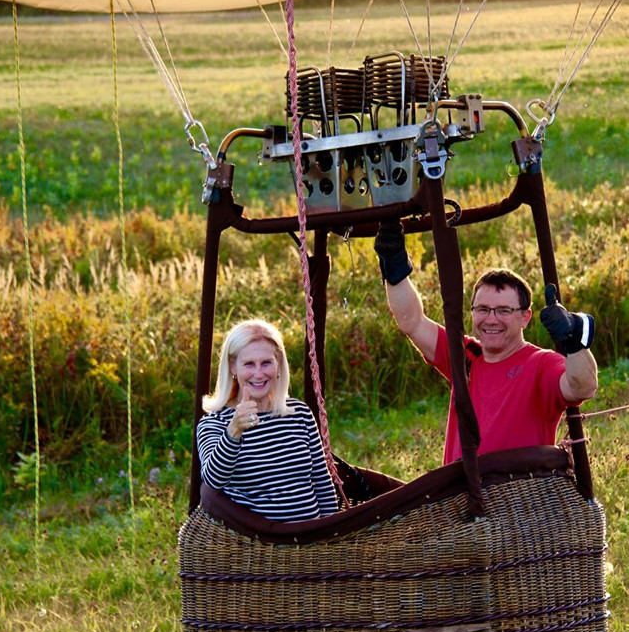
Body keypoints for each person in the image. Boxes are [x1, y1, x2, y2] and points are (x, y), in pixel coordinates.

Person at [374, 220, 598, 464]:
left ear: (525, 317)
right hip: (460, 495)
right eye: (482, 309)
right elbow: (412, 322)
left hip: (518, 495)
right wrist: (394, 264)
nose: (491, 319)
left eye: (503, 310)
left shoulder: (540, 363)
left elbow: (583, 386)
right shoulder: (467, 357)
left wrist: (573, 341)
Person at [196, 318, 339, 521]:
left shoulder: (298, 413)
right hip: (258, 545)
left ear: (278, 364)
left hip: (309, 541)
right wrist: (234, 431)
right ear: (232, 367)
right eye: (249, 364)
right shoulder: (215, 422)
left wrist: (331, 532)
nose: (259, 373)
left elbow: (322, 483)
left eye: (266, 363)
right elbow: (213, 480)